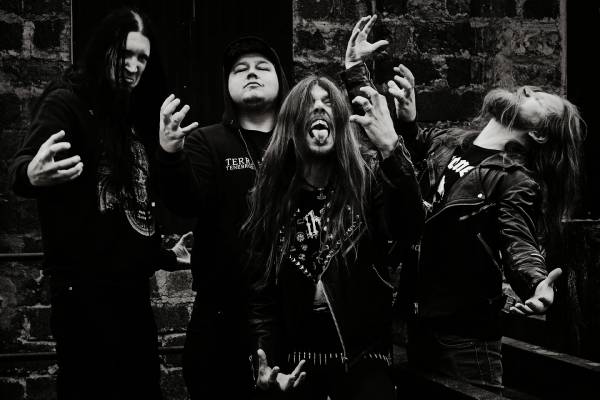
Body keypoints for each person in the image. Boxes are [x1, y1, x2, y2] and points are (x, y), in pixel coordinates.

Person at [340, 15, 585, 393]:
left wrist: (537, 284)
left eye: (538, 99)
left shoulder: (514, 180)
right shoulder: (456, 144)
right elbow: (413, 170)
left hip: (466, 342)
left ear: (538, 133)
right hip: (419, 324)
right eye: (531, 88)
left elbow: (518, 240)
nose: (527, 90)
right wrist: (361, 74)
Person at [10, 7, 190, 400]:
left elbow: (124, 212)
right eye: (125, 53)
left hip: (131, 293)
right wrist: (31, 173)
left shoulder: (131, 117)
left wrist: (162, 253)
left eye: (142, 58)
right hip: (84, 294)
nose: (133, 66)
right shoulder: (67, 103)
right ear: (103, 49)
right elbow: (21, 166)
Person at [244, 72, 423, 399]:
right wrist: (268, 363)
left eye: (328, 103)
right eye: (308, 104)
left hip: (364, 361)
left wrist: (391, 150)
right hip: (298, 366)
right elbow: (262, 296)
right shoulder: (272, 198)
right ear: (291, 125)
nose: (319, 108)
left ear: (340, 122)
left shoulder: (366, 184)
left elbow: (408, 227)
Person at [156, 36, 289, 398]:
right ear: (227, 86)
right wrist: (170, 154)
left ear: (280, 80)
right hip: (221, 313)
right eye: (240, 69)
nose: (251, 73)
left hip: (288, 312)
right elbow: (185, 202)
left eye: (262, 67)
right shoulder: (207, 141)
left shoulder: (299, 141)